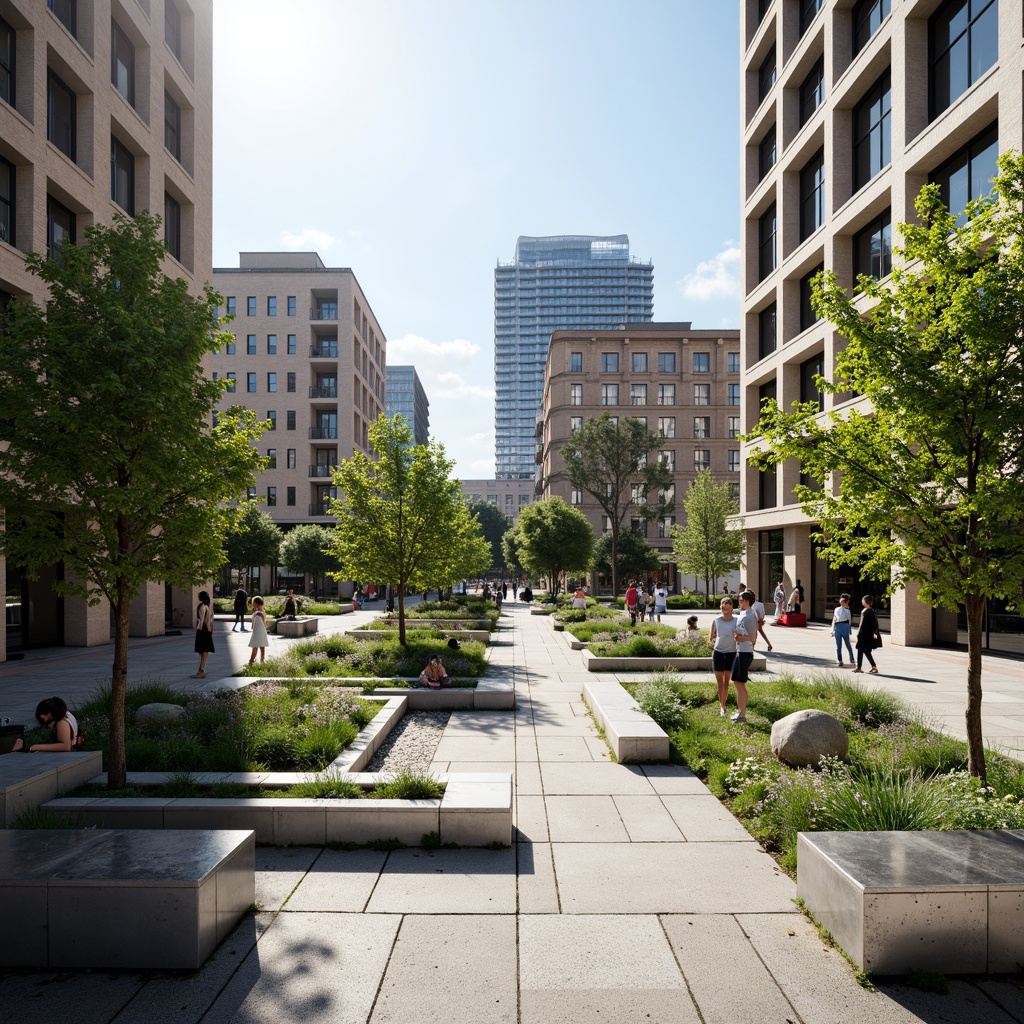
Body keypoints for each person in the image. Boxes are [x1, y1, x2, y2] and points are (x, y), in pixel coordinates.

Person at [12, 697, 82, 752]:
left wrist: (37, 747)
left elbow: (66, 746)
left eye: (46, 719)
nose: (46, 721)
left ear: (49, 713)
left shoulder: (62, 723)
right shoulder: (67, 714)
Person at [730, 590, 759, 724]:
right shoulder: (743, 614)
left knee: (739, 683)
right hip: (740, 651)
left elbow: (752, 637)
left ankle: (742, 715)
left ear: (747, 601)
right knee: (736, 681)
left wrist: (739, 638)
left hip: (745, 653)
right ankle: (740, 712)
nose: (739, 602)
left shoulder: (750, 616)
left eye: (741, 600)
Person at [709, 597, 738, 718]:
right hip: (718, 653)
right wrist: (713, 638)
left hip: (731, 653)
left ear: (732, 607)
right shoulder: (716, 621)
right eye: (722, 604)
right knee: (720, 682)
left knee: (727, 681)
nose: (724, 606)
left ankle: (724, 704)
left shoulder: (737, 621)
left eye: (727, 604)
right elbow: (711, 637)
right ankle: (722, 706)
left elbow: (740, 635)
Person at [854, 595, 881, 674]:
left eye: (862, 600)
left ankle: (862, 667)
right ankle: (871, 667)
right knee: (864, 650)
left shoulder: (869, 611)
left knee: (863, 650)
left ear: (866, 601)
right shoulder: (868, 610)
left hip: (865, 634)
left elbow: (864, 624)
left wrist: (859, 633)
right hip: (865, 634)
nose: (861, 601)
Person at [192, 590, 215, 678]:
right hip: (206, 629)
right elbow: (211, 619)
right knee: (204, 650)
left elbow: (202, 620)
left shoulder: (202, 606)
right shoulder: (207, 606)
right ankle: (201, 669)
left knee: (203, 650)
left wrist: (199, 627)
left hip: (202, 629)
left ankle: (201, 669)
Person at [831, 593, 855, 667]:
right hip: (838, 626)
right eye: (840, 602)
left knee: (847, 643)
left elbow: (849, 620)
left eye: (843, 602)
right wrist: (832, 629)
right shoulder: (836, 609)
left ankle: (852, 658)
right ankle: (840, 660)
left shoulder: (848, 611)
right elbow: (834, 619)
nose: (841, 604)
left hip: (844, 625)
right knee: (838, 645)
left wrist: (849, 629)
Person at [247, 596, 269, 664]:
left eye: (254, 603)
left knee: (255, 646)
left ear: (257, 604)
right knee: (261, 646)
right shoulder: (261, 611)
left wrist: (254, 634)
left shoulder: (258, 613)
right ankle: (261, 661)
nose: (253, 605)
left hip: (257, 631)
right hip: (262, 631)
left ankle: (251, 661)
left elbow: (257, 624)